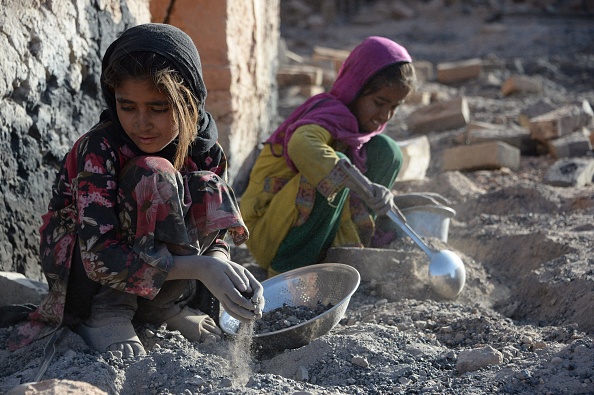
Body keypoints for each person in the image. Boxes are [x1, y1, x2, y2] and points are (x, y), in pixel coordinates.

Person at [7, 23, 264, 359]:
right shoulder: (100, 149)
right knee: (152, 173)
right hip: (88, 275)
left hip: (160, 279)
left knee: (205, 185)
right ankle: (108, 314)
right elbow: (98, 254)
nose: (141, 122)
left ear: (190, 102)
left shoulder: (205, 151)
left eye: (158, 108)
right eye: (127, 107)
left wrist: (221, 268)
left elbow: (214, 234)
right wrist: (200, 268)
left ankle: (162, 307)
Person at [240, 36, 447, 277]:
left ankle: (342, 250)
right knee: (329, 174)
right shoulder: (324, 116)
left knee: (386, 152)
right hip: (271, 233)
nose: (386, 115)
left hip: (315, 226)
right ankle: (290, 270)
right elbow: (301, 143)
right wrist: (364, 185)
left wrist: (375, 192)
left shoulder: (355, 130)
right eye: (379, 102)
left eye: (394, 107)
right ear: (356, 88)